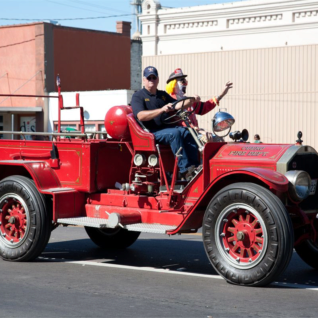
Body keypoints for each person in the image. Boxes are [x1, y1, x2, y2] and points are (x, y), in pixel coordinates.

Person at [131, 66, 199, 179]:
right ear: (144, 80)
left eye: (154, 77)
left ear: (158, 79)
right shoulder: (138, 96)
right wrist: (162, 109)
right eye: (149, 78)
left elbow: (177, 105)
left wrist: (191, 100)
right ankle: (185, 170)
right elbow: (140, 116)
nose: (151, 80)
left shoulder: (162, 95)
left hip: (165, 130)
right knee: (175, 134)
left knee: (188, 131)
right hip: (150, 132)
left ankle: (195, 166)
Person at [165, 68, 233, 142]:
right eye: (183, 81)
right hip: (183, 136)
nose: (185, 84)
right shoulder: (170, 101)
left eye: (186, 81)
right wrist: (199, 131)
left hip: (194, 133)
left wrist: (221, 94)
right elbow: (181, 124)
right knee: (209, 139)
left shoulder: (188, 100)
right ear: (174, 84)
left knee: (218, 140)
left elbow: (204, 107)